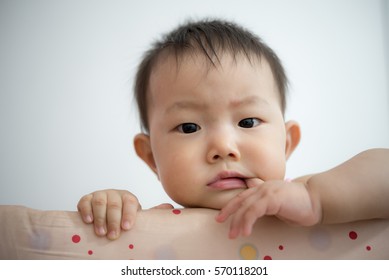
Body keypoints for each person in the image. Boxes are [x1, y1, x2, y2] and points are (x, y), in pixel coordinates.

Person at [77, 19, 389, 240]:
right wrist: (113, 209)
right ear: (151, 158)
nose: (223, 147)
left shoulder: (302, 199)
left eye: (248, 122)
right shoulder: (155, 224)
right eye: (189, 126)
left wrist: (316, 202)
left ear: (286, 143)